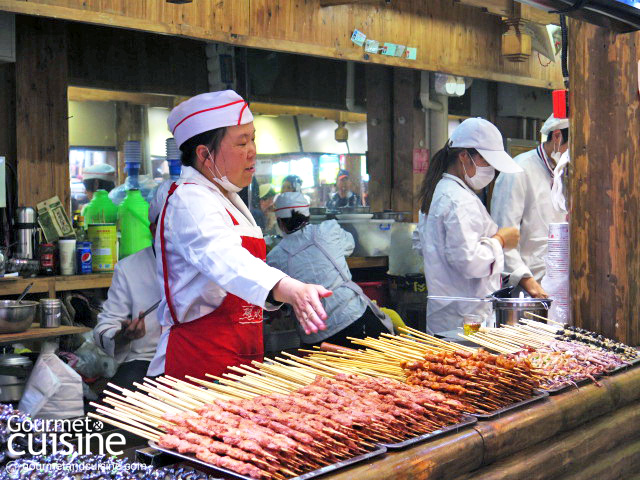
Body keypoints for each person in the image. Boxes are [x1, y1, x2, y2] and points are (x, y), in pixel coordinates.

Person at [148, 90, 332, 381]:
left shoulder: (226, 197)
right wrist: (289, 288)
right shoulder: (189, 200)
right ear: (204, 155)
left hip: (240, 356)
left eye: (253, 139)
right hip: (197, 365)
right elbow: (226, 259)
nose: (253, 151)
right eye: (241, 142)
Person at [413, 118, 521, 335]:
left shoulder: (439, 191)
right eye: (486, 162)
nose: (490, 170)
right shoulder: (458, 200)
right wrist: (500, 241)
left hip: (448, 314)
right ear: (464, 156)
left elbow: (419, 242)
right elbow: (469, 261)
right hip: (464, 318)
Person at [267, 192, 393, 348]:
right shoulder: (328, 230)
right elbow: (350, 246)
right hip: (355, 318)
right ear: (308, 216)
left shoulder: (274, 257)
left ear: (280, 222)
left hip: (315, 336)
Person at [93, 182, 170, 390]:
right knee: (109, 412)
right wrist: (123, 335)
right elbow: (105, 328)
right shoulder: (129, 269)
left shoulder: (206, 265)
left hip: (194, 360)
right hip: (146, 362)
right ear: (154, 230)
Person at [490, 114, 569, 298]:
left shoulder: (569, 173)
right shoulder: (518, 170)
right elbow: (504, 238)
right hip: (528, 291)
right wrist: (529, 283)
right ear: (557, 136)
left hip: (562, 287)